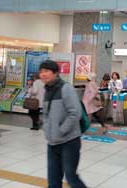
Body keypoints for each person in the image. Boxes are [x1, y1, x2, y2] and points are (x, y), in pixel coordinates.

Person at [40, 60, 87, 188]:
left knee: (71, 177)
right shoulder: (46, 90)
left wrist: (61, 130)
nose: (43, 74)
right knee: (53, 180)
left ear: (55, 73)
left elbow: (75, 113)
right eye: (41, 71)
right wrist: (47, 129)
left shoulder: (66, 88)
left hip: (69, 142)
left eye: (46, 71)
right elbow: (46, 114)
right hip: (52, 143)